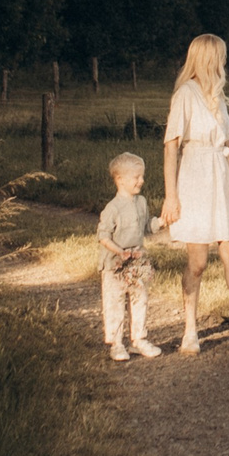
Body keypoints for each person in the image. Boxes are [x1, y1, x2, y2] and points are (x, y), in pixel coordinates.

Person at [161, 33, 229, 353]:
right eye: (222, 57)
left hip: (222, 177)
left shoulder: (216, 95)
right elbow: (171, 147)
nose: (225, 63)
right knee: (198, 261)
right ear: (208, 59)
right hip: (195, 178)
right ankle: (190, 330)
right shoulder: (185, 94)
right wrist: (171, 196)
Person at [97, 151, 161, 361]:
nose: (141, 181)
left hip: (136, 263)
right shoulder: (112, 208)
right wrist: (119, 251)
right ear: (120, 180)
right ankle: (116, 343)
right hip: (115, 265)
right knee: (114, 302)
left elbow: (147, 227)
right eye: (136, 177)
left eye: (142, 176)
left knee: (139, 298)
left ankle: (139, 339)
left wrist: (162, 222)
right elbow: (103, 236)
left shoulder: (141, 202)